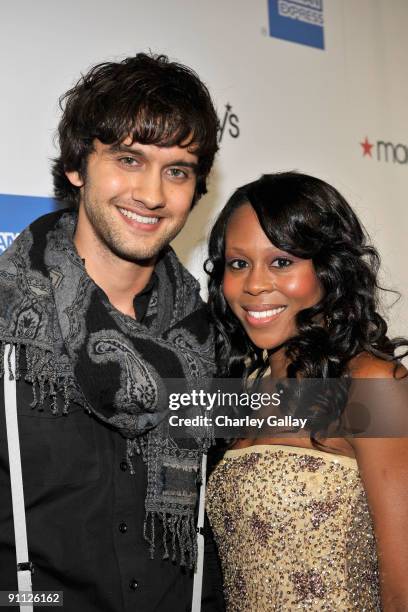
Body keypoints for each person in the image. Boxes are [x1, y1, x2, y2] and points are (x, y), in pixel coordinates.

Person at [0, 53, 225, 611]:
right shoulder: (6, 319)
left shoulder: (217, 340)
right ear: (78, 167)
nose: (151, 194)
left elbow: (350, 423)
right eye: (128, 159)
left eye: (177, 170)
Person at [205, 172, 408, 611]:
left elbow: (403, 590)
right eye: (238, 264)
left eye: (281, 262)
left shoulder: (370, 384)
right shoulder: (241, 393)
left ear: (328, 269)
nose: (255, 284)